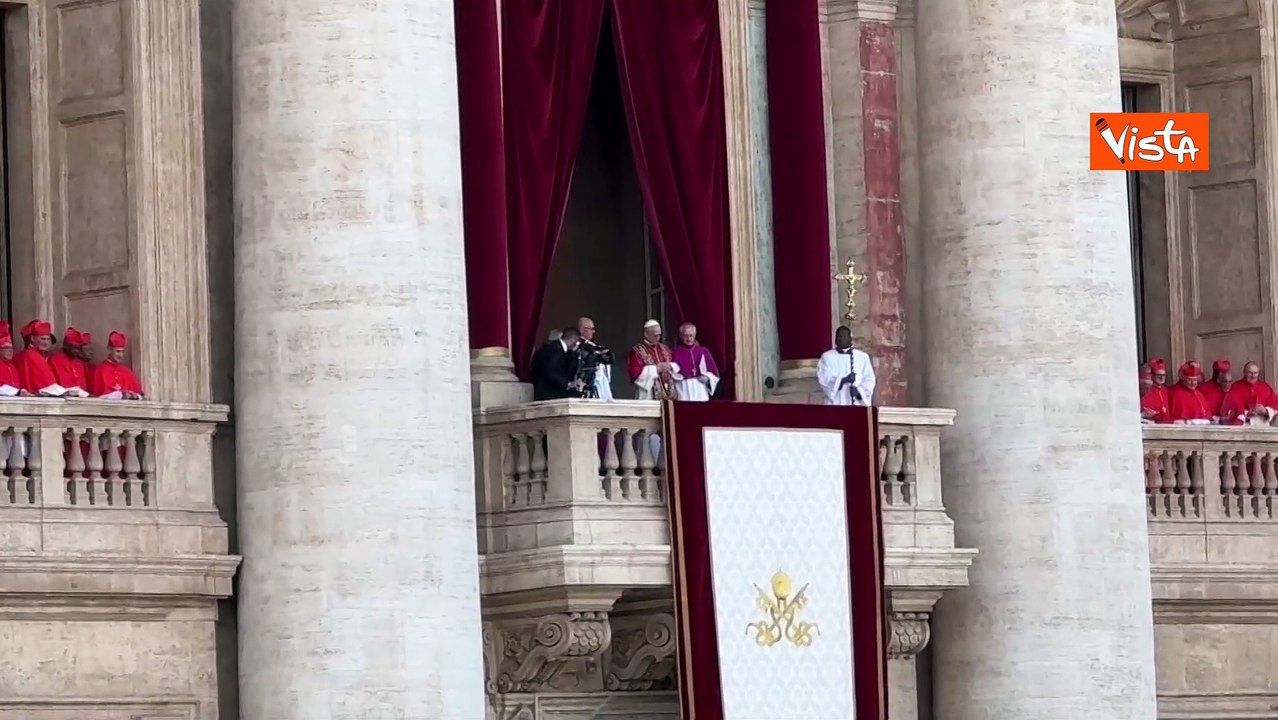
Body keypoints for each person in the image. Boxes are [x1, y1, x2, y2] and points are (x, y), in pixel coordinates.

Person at [817, 326, 876, 406]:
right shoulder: (827, 357)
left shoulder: (862, 357)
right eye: (839, 336)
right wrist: (843, 380)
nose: (841, 339)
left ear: (850, 339)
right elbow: (824, 378)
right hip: (835, 403)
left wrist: (859, 392)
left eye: (844, 336)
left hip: (856, 404)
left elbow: (869, 379)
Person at [627, 320, 678, 400]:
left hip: (667, 390)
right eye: (655, 336)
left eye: (659, 335)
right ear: (646, 334)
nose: (658, 338)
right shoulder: (637, 351)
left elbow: (677, 365)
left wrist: (670, 366)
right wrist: (655, 369)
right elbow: (634, 372)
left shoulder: (665, 348)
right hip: (648, 392)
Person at [14, 319, 65, 396]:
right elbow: (45, 384)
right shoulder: (31, 354)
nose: (46, 342)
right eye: (42, 339)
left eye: (48, 339)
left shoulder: (41, 355)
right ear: (32, 339)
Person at [671, 323, 719, 401]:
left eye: (691, 335)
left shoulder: (703, 351)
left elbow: (714, 373)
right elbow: (671, 372)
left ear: (695, 335)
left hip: (700, 389)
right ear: (681, 336)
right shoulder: (675, 352)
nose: (689, 339)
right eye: (686, 336)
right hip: (683, 389)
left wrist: (707, 377)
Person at [90, 331, 144, 399]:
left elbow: (139, 394)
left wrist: (132, 396)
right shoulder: (100, 370)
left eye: (122, 352)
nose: (121, 355)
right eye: (118, 351)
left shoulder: (127, 371)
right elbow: (95, 397)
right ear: (109, 350)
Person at [531, 327, 580, 401]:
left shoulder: (563, 350)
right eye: (577, 342)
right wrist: (567, 384)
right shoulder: (553, 349)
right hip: (547, 394)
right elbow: (549, 371)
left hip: (554, 393)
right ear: (573, 339)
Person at [1221, 361, 1278, 425]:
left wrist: (1265, 410)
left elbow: (1275, 405)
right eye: (1250, 373)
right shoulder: (1236, 387)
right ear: (1245, 373)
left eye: (1255, 373)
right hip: (1244, 426)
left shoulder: (1265, 387)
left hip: (1263, 425)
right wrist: (1246, 413)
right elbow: (1229, 409)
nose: (1253, 376)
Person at [577, 316, 613, 401]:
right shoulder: (579, 346)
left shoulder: (593, 346)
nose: (593, 331)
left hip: (601, 385)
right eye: (591, 329)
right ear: (583, 329)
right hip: (588, 384)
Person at [49, 327, 91, 397]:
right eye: (73, 347)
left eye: (78, 348)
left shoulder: (79, 363)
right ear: (65, 345)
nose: (76, 351)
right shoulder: (54, 360)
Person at [1140, 359, 1171, 423]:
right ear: (1152, 376)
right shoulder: (1146, 389)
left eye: (1164, 375)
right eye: (1159, 375)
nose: (1162, 378)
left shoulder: (1166, 390)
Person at [0, 326, 27, 397]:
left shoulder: (13, 368)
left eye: (11, 347)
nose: (10, 350)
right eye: (6, 348)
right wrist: (18, 392)